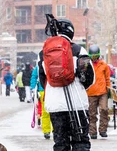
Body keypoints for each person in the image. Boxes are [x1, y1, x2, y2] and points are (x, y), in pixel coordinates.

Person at [40, 18, 94, 151]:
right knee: (80, 141)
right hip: (77, 104)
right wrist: (81, 86)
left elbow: (43, 79)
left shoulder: (44, 54)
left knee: (60, 143)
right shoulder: (79, 50)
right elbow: (89, 77)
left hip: (55, 106)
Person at [86, 45, 111, 139]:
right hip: (91, 93)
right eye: (92, 56)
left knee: (104, 110)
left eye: (95, 56)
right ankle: (92, 132)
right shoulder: (87, 65)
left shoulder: (104, 65)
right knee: (92, 113)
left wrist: (109, 90)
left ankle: (103, 130)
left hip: (102, 92)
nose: (94, 58)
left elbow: (107, 79)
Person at [31, 56, 52, 139]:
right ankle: (48, 130)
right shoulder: (39, 67)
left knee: (51, 111)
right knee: (46, 111)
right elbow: (34, 77)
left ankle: (50, 130)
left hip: (49, 89)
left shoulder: (39, 66)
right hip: (44, 90)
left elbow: (34, 77)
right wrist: (33, 88)